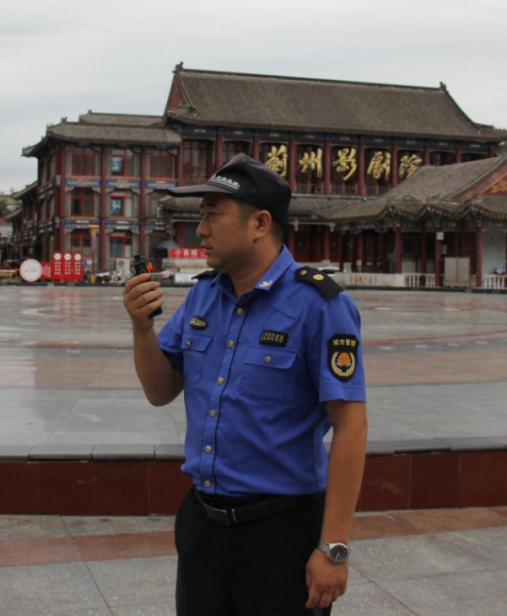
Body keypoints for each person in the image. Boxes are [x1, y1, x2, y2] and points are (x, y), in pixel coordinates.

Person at [122, 154, 367, 615]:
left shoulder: (320, 305)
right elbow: (160, 390)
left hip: (281, 532)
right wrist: (141, 329)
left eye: (213, 215)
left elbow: (351, 425)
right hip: (203, 524)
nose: (201, 230)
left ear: (259, 223)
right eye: (201, 216)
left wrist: (334, 546)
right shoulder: (203, 294)